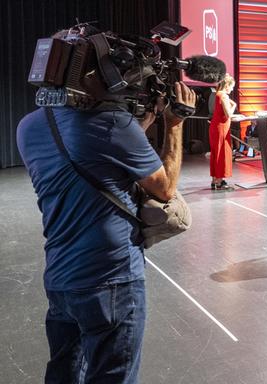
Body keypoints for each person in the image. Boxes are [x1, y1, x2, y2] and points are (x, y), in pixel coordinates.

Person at [18, 79, 196, 382]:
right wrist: (175, 123)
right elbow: (164, 187)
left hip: (60, 277)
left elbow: (89, 151)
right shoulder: (113, 123)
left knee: (64, 372)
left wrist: (135, 129)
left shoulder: (29, 126)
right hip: (111, 280)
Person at [209, 74, 236, 189]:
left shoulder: (217, 94)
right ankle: (219, 182)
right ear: (227, 85)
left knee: (216, 152)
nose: (232, 89)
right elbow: (228, 114)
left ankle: (215, 179)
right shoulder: (223, 95)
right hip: (221, 128)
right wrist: (234, 105)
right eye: (232, 86)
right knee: (221, 153)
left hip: (216, 127)